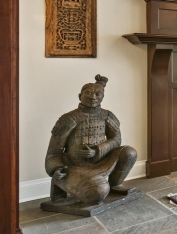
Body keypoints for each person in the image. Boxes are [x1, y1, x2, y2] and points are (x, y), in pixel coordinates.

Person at [45, 74, 137, 205]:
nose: (92, 97)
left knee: (129, 152)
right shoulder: (68, 119)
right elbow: (53, 153)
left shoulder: (107, 115)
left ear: (102, 97)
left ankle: (115, 185)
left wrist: (97, 150)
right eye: (88, 93)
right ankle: (96, 186)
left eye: (97, 94)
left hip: (103, 161)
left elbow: (117, 140)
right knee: (97, 193)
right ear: (79, 96)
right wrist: (56, 169)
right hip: (76, 166)